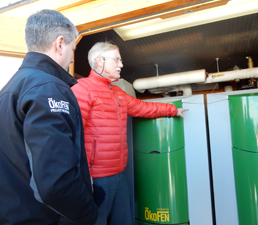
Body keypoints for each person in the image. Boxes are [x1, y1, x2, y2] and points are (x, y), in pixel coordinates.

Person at [0, 9, 98, 225]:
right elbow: (55, 181)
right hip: (40, 218)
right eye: (72, 48)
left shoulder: (11, 87)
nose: (72, 57)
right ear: (59, 44)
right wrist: (88, 213)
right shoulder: (49, 88)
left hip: (8, 214)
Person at [71, 42, 188, 225]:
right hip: (96, 178)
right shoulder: (82, 88)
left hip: (119, 174)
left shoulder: (117, 92)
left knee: (123, 221)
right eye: (117, 59)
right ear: (99, 61)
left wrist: (172, 110)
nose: (121, 65)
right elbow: (73, 135)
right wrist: (85, 178)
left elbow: (141, 108)